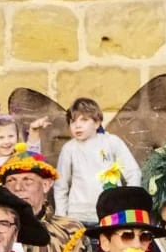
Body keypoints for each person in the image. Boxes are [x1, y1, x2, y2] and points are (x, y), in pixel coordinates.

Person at [0, 144, 90, 252]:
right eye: (11, 181)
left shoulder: (70, 230)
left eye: (27, 180)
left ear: (45, 185)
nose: (18, 187)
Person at [54, 97, 140, 226]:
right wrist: (61, 217)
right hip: (78, 216)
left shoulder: (111, 142)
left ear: (97, 123)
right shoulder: (69, 148)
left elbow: (133, 173)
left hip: (110, 214)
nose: (77, 125)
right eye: (73, 121)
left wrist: (129, 206)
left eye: (84, 120)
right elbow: (61, 185)